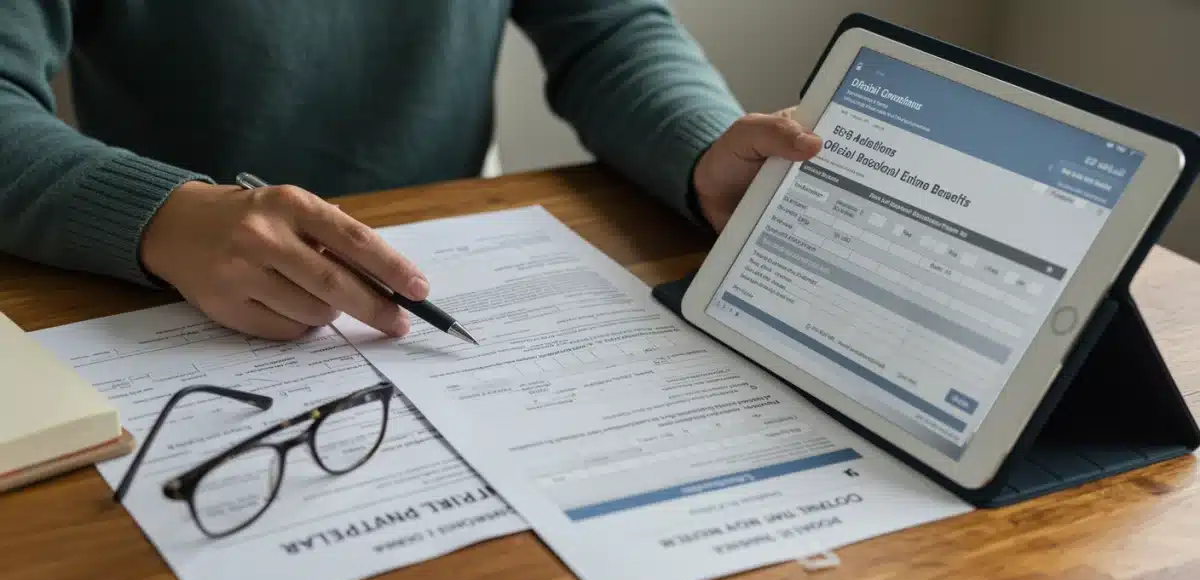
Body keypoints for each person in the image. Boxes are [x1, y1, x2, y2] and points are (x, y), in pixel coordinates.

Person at [0, 2, 822, 340]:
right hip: (161, 289)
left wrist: (700, 146)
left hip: (444, 241)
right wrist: (156, 215)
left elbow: (606, 27)